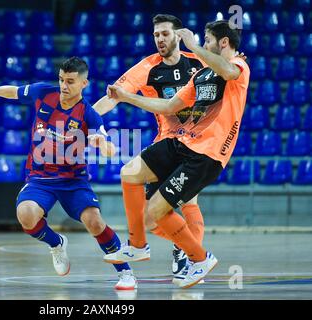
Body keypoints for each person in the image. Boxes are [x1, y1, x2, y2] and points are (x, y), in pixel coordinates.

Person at [106, 20, 250, 288]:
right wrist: (127, 97)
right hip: (181, 141)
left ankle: (198, 258)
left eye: (206, 41)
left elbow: (229, 72)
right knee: (130, 173)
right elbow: (169, 105)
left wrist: (193, 45)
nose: (200, 47)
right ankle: (138, 245)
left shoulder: (239, 67)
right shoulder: (200, 75)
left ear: (223, 43)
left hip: (207, 155)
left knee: (159, 210)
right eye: (202, 41)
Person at [0, 56, 137, 290]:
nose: (63, 85)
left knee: (95, 222)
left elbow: (111, 148)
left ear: (84, 83)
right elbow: (14, 91)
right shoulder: (43, 93)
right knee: (26, 215)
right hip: (40, 178)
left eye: (70, 81)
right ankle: (57, 244)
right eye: (61, 79)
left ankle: (126, 272)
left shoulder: (88, 114)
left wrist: (103, 144)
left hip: (73, 181)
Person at [93, 14, 206, 281]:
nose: (160, 40)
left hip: (198, 143)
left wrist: (236, 60)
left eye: (165, 34)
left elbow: (227, 71)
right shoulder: (148, 67)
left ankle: (194, 259)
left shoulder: (199, 62)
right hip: (166, 141)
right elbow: (113, 98)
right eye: (156, 35)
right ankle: (183, 246)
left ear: (178, 36)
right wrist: (85, 120)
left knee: (189, 199)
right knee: (148, 220)